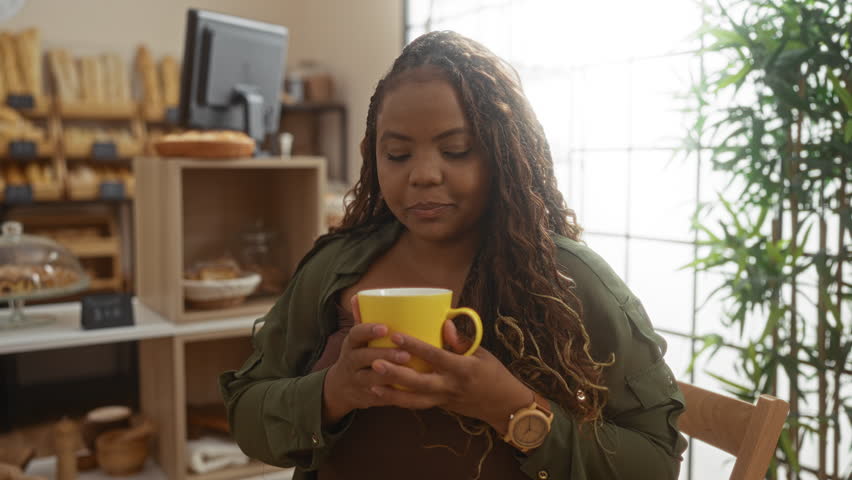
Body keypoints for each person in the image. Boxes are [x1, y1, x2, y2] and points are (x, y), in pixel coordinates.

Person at [220, 31, 688, 480]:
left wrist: (510, 408)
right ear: (372, 156)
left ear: (505, 153)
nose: (423, 175)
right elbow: (246, 413)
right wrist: (332, 392)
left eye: (457, 150)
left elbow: (656, 462)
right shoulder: (334, 270)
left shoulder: (566, 280)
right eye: (398, 155)